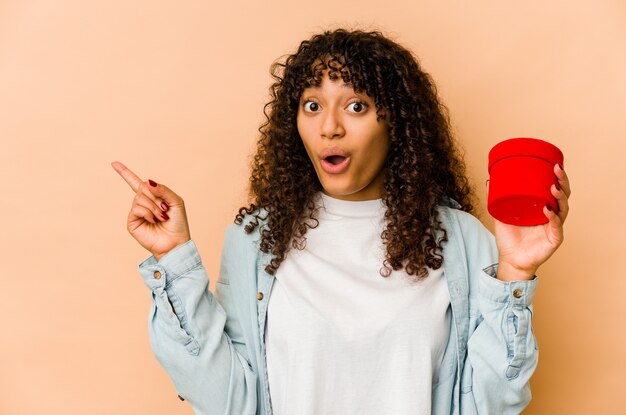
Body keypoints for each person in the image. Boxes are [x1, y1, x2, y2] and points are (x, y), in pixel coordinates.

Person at [112, 28, 570, 415]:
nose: (329, 127)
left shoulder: (461, 240)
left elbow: (488, 405)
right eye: (312, 105)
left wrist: (516, 271)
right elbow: (229, 400)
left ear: (398, 123)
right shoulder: (256, 240)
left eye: (356, 106)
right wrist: (172, 258)